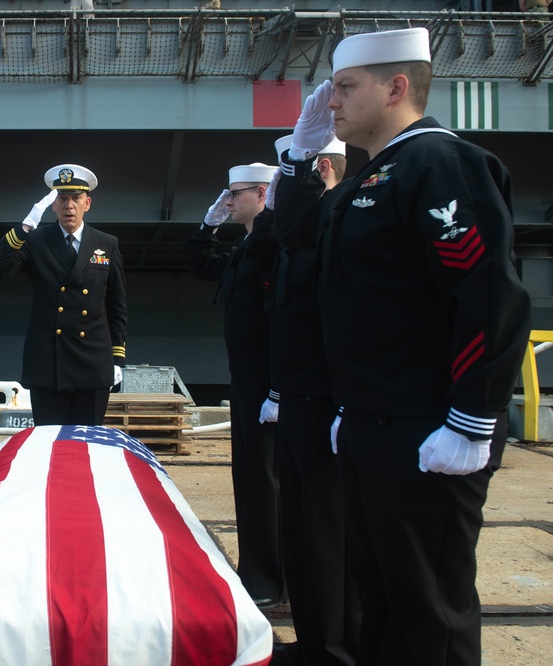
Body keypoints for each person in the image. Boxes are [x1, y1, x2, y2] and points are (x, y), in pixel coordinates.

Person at [278, 27, 531, 664]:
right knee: (380, 602)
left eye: (344, 87)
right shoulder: (376, 176)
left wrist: (472, 420)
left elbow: (486, 295)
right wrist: (298, 160)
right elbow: (302, 233)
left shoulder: (440, 164)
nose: (330, 103)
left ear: (396, 87)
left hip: (428, 432)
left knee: (428, 614)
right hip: (372, 425)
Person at [265, 135, 358, 666]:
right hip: (300, 398)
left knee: (327, 532)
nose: (278, 193)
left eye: (287, 178)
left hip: (327, 402)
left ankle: (334, 648)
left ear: (319, 169)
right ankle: (315, 638)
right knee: (301, 528)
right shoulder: (298, 237)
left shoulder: (334, 226)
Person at [188, 162, 285, 608]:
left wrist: (277, 390)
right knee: (248, 478)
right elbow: (202, 267)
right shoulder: (246, 247)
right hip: (245, 381)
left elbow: (284, 321)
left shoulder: (270, 243)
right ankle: (255, 570)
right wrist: (208, 227)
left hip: (268, 384)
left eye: (236, 194)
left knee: (266, 480)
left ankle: (269, 579)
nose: (229, 200)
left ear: (263, 194)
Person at [0, 164, 127, 426]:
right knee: (48, 446)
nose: (69, 205)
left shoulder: (106, 243)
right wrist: (26, 227)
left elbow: (117, 305)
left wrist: (117, 359)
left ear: (88, 203)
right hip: (49, 362)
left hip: (93, 361)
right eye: (62, 198)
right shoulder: (37, 240)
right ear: (53, 205)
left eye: (76, 198)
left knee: (88, 444)